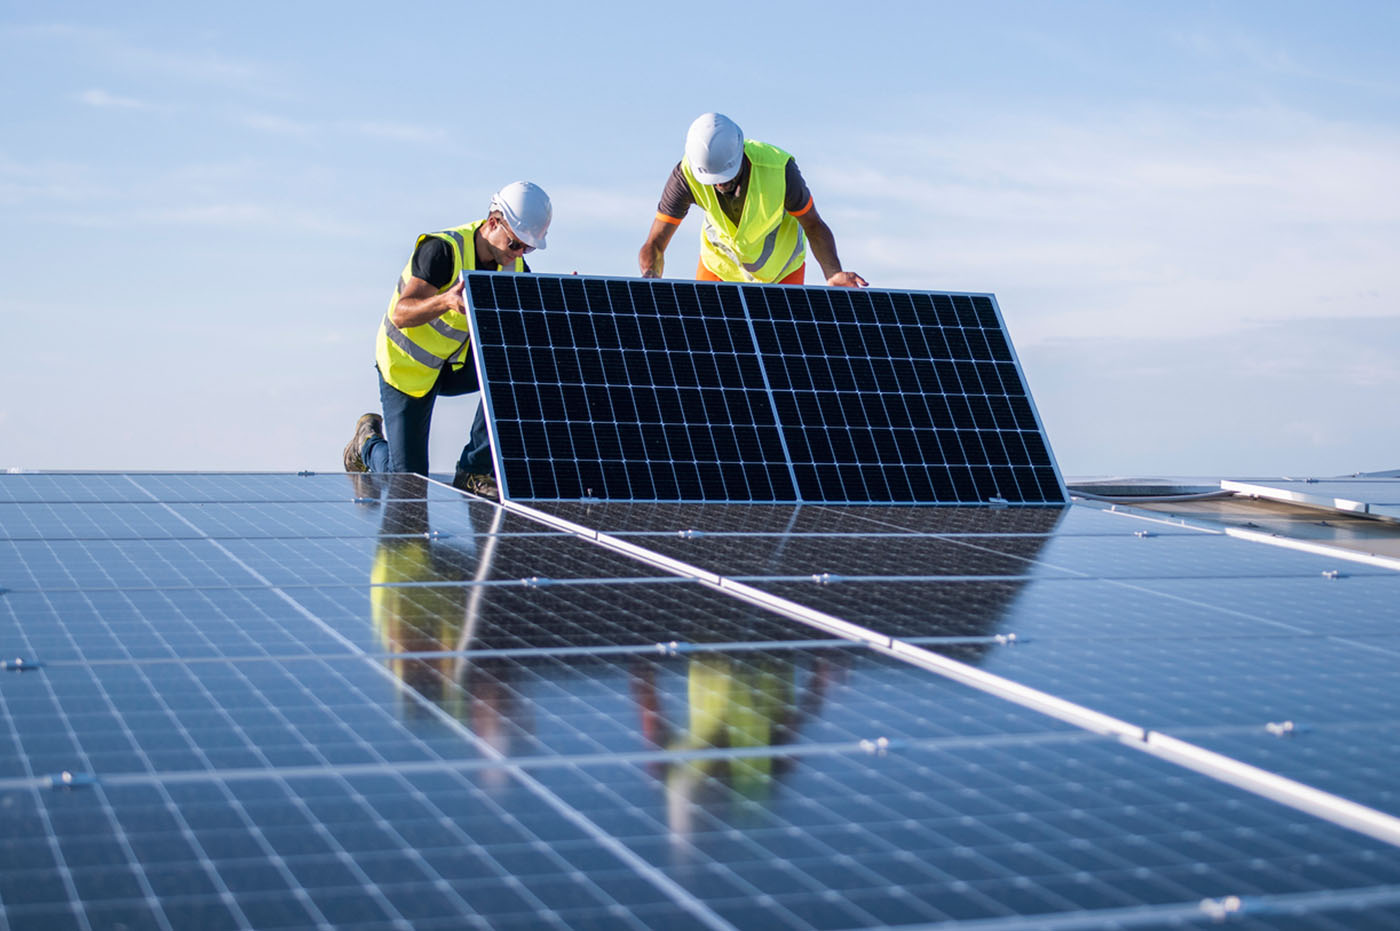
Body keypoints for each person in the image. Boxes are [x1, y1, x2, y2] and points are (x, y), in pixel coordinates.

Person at [343, 182, 553, 499]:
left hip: (451, 365)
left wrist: (562, 305)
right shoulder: (442, 251)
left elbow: (521, 329)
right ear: (493, 222)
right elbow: (402, 313)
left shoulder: (515, 267)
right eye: (515, 245)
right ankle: (368, 444)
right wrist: (445, 302)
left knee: (520, 363)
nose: (520, 253)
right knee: (408, 485)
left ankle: (474, 469)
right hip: (407, 370)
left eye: (528, 248)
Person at [638, 112, 868, 288]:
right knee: (709, 343)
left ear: (740, 156)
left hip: (781, 273)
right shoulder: (686, 176)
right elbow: (655, 243)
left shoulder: (780, 170)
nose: (719, 185)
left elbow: (814, 225)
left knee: (777, 348)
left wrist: (832, 272)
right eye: (712, 181)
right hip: (719, 269)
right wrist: (650, 275)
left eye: (726, 178)